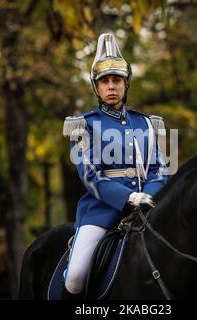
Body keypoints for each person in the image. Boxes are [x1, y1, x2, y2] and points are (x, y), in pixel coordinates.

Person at [61, 33, 168, 299]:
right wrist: (127, 197)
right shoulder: (83, 124)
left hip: (148, 208)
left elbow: (160, 168)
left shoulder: (146, 123)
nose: (111, 86)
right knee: (75, 278)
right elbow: (89, 176)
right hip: (102, 211)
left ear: (126, 84)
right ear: (96, 87)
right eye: (105, 81)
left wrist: (150, 196)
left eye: (117, 80)